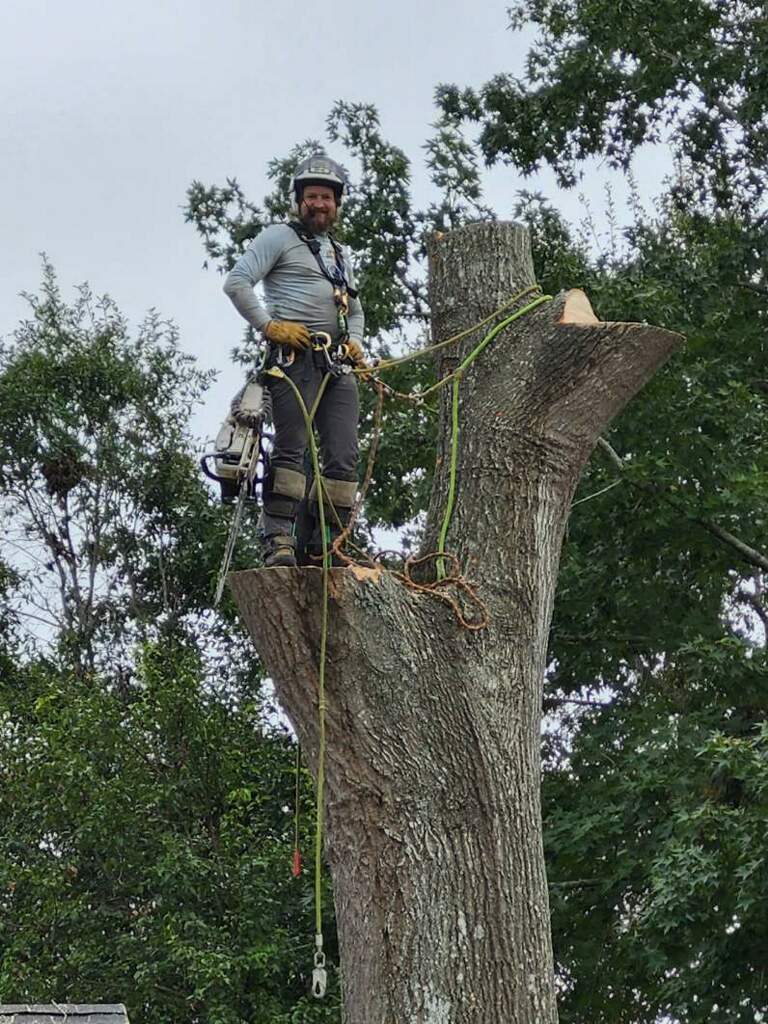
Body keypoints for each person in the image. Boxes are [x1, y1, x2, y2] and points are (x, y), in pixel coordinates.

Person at [223, 154, 365, 568]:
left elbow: (355, 309)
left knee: (343, 454)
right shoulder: (278, 238)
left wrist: (355, 341)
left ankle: (327, 543)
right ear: (298, 200)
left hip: (336, 364)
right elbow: (237, 283)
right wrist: (270, 326)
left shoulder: (338, 254)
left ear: (336, 204)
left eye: (326, 197)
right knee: (292, 448)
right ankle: (279, 539)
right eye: (312, 196)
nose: (319, 204)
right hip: (294, 359)